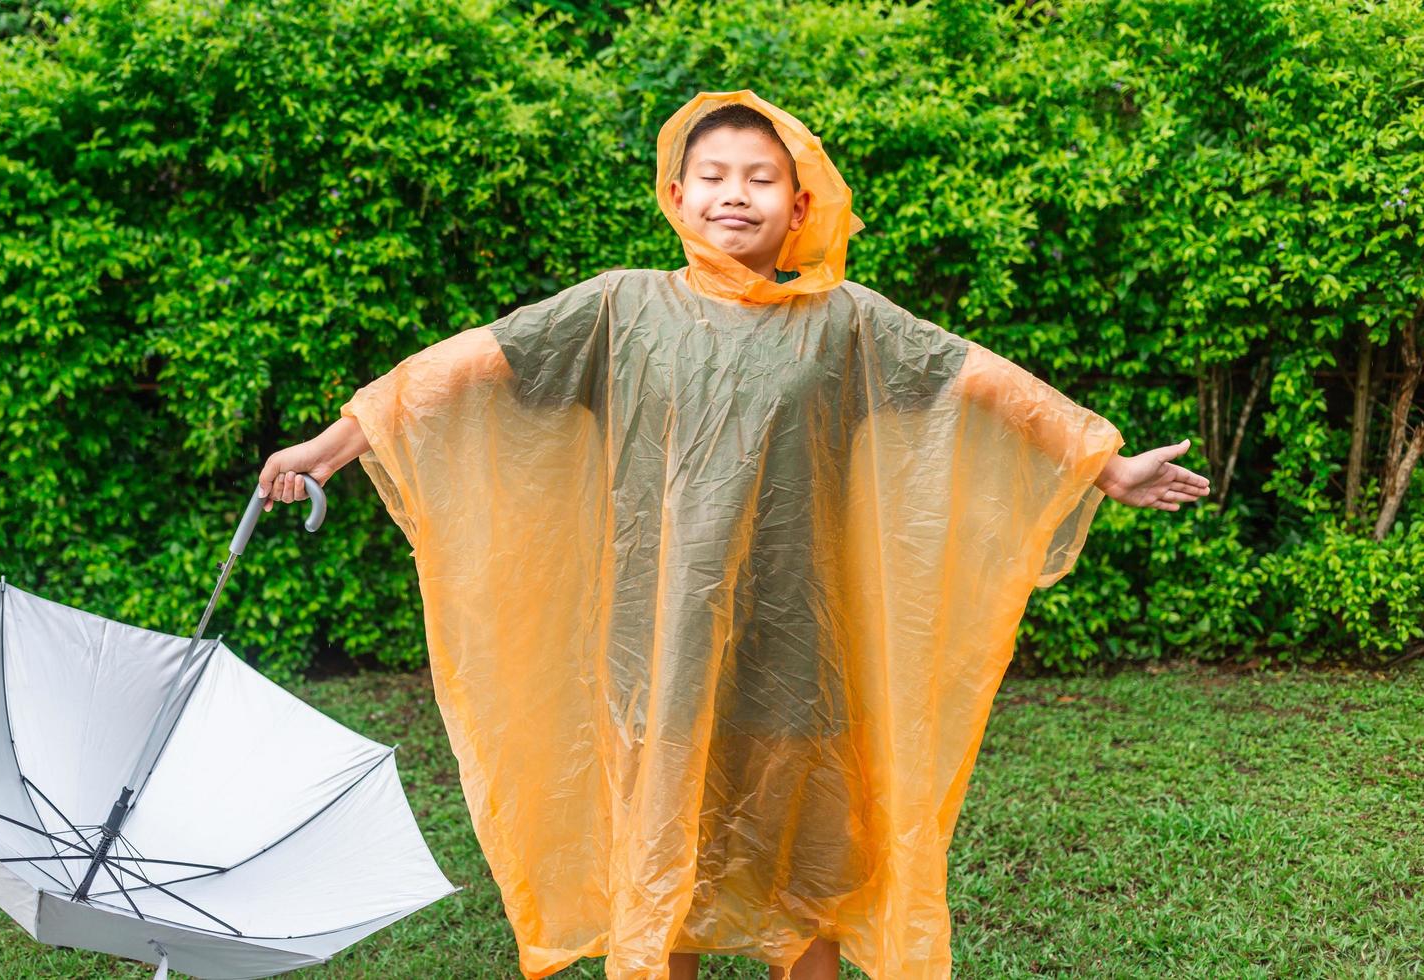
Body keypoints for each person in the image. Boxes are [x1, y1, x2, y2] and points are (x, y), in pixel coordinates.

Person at [255, 90, 1207, 980]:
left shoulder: (843, 323)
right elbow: (458, 369)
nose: (734, 197)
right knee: (667, 867)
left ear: (798, 205)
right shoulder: (618, 307)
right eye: (713, 177)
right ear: (676, 194)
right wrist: (332, 448)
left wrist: (1103, 464)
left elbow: (980, 382)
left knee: (805, 886)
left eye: (760, 179)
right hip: (655, 646)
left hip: (795, 649)